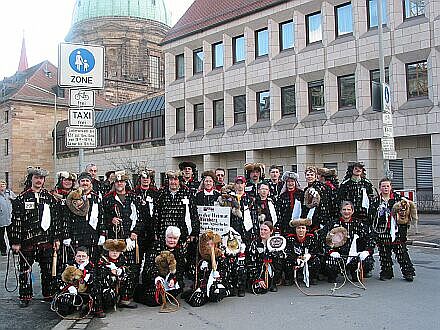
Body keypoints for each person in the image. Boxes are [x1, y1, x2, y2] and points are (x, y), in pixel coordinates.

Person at [8, 167, 61, 307]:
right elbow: (16, 221)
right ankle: (25, 296)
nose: (39, 180)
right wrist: (16, 242)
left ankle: (48, 294)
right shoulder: (21, 198)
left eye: (41, 178)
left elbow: (55, 220)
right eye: (36, 178)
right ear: (31, 179)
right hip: (27, 242)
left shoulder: (50, 198)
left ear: (44, 180)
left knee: (48, 270)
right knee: (25, 270)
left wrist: (56, 239)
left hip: (47, 241)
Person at [102, 171, 142, 289]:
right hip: (115, 237)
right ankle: (114, 293)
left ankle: (128, 294)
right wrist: (111, 220)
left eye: (122, 181)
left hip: (130, 237)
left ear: (125, 183)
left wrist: (135, 232)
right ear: (114, 183)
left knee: (131, 266)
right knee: (114, 266)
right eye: (117, 181)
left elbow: (140, 216)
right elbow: (102, 216)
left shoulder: (134, 197)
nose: (119, 184)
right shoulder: (108, 198)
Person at [370, 178, 416, 282]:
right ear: (380, 188)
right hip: (382, 230)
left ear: (391, 187)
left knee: (401, 252)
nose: (385, 188)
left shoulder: (399, 199)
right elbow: (372, 216)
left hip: (396, 230)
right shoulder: (376, 201)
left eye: (387, 186)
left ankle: (408, 272)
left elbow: (406, 213)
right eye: (383, 186)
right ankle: (387, 273)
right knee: (384, 252)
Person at [322, 201, 375, 283]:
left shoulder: (359, 224)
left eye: (348, 209)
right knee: (330, 262)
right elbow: (324, 238)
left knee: (367, 260)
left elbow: (370, 237)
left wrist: (366, 251)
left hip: (355, 255)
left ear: (352, 211)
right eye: (344, 209)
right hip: (339, 255)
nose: (346, 212)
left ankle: (356, 272)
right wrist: (331, 251)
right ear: (340, 211)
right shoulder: (333, 224)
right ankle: (333, 274)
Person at [135, 226, 185, 306]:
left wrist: (174, 279)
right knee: (153, 300)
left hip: (169, 280)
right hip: (155, 278)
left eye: (175, 238)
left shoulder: (179, 250)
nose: (172, 240)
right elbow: (149, 265)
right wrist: (157, 278)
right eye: (170, 238)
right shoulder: (156, 246)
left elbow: (180, 269)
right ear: (165, 237)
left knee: (176, 289)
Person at [61, 173, 103, 263]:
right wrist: (66, 235)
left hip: (92, 236)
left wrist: (102, 234)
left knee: (92, 263)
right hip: (76, 235)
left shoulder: (96, 198)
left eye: (87, 181)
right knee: (76, 263)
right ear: (78, 183)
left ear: (90, 183)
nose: (85, 183)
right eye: (82, 181)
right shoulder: (72, 197)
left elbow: (101, 217)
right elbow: (66, 218)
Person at [94, 239, 137, 318]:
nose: (114, 253)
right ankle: (99, 307)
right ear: (108, 251)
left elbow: (128, 269)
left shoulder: (123, 259)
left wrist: (121, 271)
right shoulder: (102, 260)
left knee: (130, 276)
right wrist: (109, 271)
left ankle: (124, 299)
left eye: (117, 251)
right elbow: (100, 274)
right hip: (106, 287)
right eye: (112, 250)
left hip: (118, 285)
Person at [154, 170, 199, 245]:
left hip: (182, 233)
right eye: (171, 179)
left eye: (175, 179)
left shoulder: (187, 193)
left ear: (179, 181)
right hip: (165, 232)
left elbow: (193, 214)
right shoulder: (161, 194)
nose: (173, 182)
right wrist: (156, 232)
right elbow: (156, 214)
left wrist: (194, 233)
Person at [185, 230, 229, 307]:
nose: (210, 247)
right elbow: (196, 274)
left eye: (212, 244)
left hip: (215, 284)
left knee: (217, 293)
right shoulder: (200, 259)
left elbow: (224, 272)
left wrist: (218, 274)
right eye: (207, 244)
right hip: (203, 285)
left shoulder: (220, 259)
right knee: (196, 301)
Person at [55, 246, 95, 316]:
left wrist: (82, 270)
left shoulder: (92, 266)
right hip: (72, 292)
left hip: (87, 293)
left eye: (83, 256)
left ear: (87, 257)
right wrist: (69, 287)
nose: (81, 258)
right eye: (79, 256)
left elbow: (92, 281)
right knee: (64, 307)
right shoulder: (68, 265)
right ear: (75, 257)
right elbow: (59, 279)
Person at [247, 221, 284, 294]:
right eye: (261, 229)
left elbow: (282, 257)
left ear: (271, 231)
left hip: (271, 268)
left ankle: (273, 281)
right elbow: (251, 262)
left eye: (265, 230)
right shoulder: (255, 243)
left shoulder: (276, 242)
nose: (262, 232)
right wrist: (258, 278)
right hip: (259, 269)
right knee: (259, 290)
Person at [284, 219, 320, 286]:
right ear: (295, 229)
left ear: (306, 229)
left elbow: (316, 251)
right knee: (287, 262)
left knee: (316, 260)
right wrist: (296, 259)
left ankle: (312, 277)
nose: (301, 230)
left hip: (307, 260)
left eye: (303, 228)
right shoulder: (289, 239)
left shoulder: (311, 238)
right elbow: (287, 252)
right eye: (298, 228)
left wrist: (309, 255)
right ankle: (289, 278)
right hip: (295, 260)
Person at [133, 169, 158, 262]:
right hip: (138, 230)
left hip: (151, 229)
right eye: (143, 178)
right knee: (137, 259)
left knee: (150, 259)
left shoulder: (155, 193)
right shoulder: (134, 193)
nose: (145, 180)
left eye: (147, 178)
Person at [303, 166, 333, 232]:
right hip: (309, 219)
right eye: (307, 175)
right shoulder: (305, 189)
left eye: (312, 175)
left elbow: (326, 204)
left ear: (316, 176)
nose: (309, 177)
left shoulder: (323, 188)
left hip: (320, 219)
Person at [276, 171, 305, 235]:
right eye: (288, 181)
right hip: (285, 223)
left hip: (299, 222)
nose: (290, 183)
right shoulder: (282, 196)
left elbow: (304, 209)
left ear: (295, 182)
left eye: (292, 181)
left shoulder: (301, 194)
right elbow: (279, 211)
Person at [0, 179, 16, 256]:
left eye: (3, 185)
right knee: (1, 236)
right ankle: (3, 250)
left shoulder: (9, 192)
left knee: (11, 235)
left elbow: (16, 201)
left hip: (9, 218)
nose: (2, 186)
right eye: (1, 185)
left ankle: (13, 249)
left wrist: (11, 198)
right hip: (1, 219)